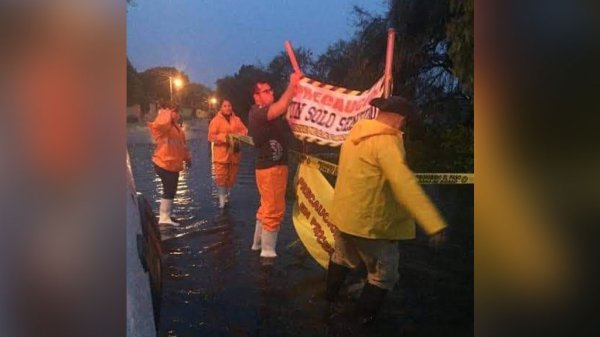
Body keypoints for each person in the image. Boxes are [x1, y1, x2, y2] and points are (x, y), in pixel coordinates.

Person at [326, 96, 447, 324]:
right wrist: (433, 223)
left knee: (341, 258)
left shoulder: (354, 134)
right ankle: (361, 324)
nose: (404, 127)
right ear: (399, 118)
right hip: (371, 224)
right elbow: (404, 184)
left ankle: (326, 304)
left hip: (343, 217)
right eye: (405, 122)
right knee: (384, 275)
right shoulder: (387, 143)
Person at [248, 73, 302, 258]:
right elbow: (279, 107)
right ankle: (268, 255)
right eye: (265, 91)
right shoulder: (257, 112)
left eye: (271, 90)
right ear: (256, 96)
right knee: (273, 211)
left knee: (266, 209)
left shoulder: (269, 114)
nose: (271, 93)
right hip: (271, 169)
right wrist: (292, 84)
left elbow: (285, 110)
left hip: (272, 168)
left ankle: (257, 246)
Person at [148, 102, 191, 226]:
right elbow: (160, 123)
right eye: (175, 112)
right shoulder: (163, 128)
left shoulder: (179, 130)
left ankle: (166, 215)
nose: (177, 115)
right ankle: (164, 217)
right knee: (169, 189)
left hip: (173, 165)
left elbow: (183, 147)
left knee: (171, 190)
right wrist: (167, 111)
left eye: (178, 112)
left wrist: (188, 159)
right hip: (163, 163)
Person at [208, 99, 248, 208]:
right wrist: (225, 138)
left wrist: (238, 136)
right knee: (221, 178)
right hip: (221, 155)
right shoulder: (215, 121)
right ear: (221, 108)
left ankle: (226, 196)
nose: (227, 108)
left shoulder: (237, 119)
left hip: (234, 154)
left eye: (229, 105)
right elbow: (211, 136)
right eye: (225, 106)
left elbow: (245, 130)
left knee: (231, 178)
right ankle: (221, 202)